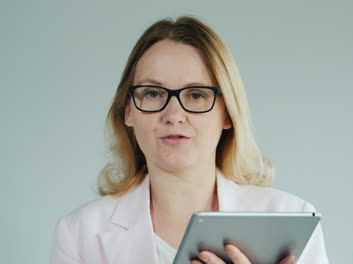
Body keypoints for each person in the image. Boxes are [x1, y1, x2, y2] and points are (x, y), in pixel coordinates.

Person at [51, 16, 329, 264]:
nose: (173, 115)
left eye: (196, 95)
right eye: (152, 93)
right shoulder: (79, 234)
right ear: (129, 111)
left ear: (227, 114)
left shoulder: (291, 219)